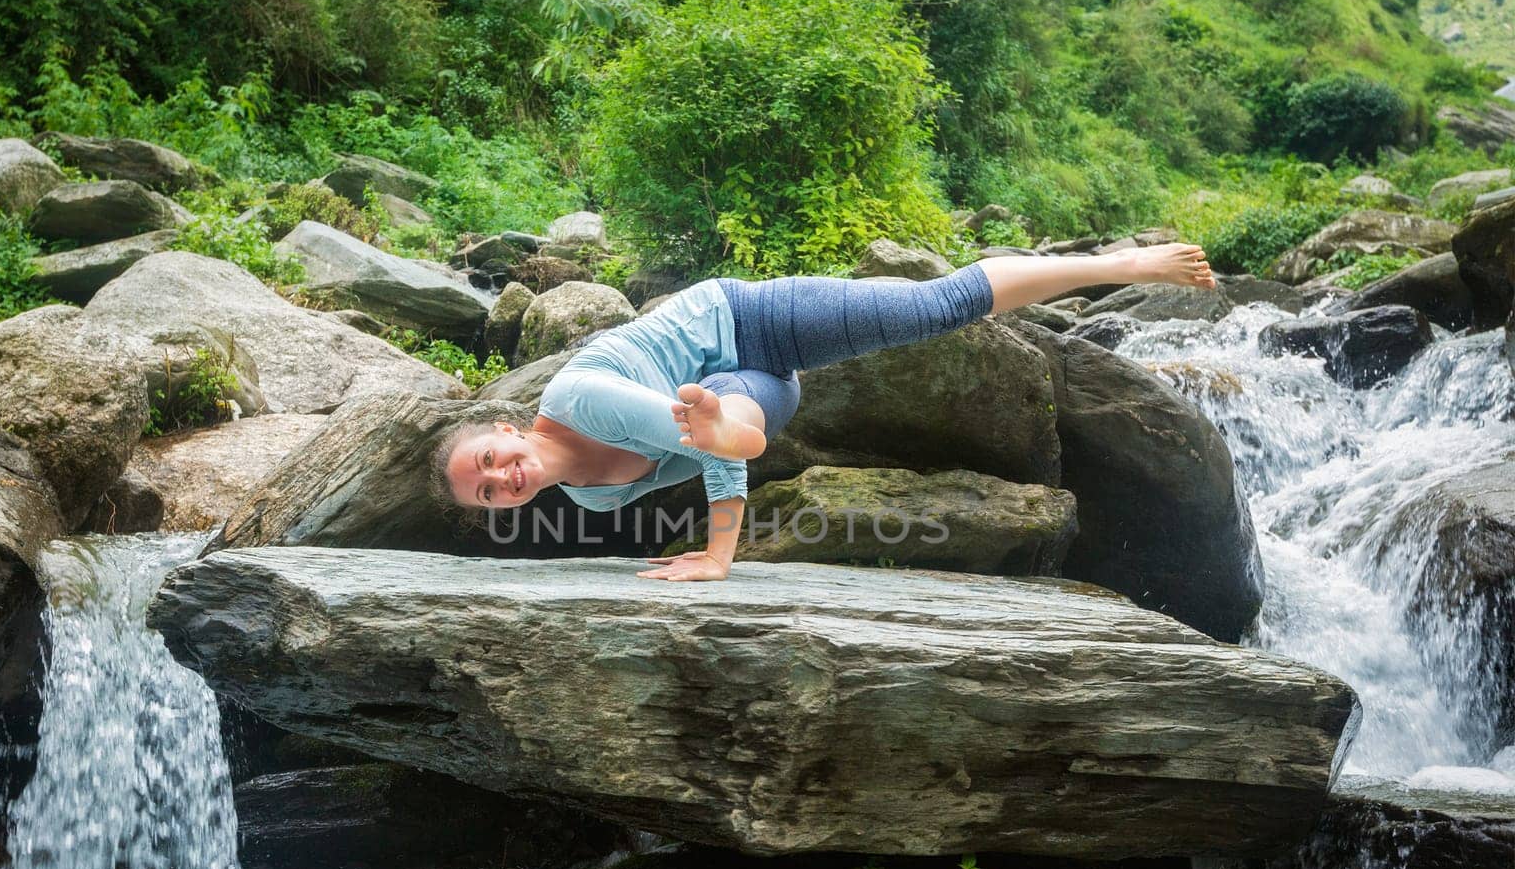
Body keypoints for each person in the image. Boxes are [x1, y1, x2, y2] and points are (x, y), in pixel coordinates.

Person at [436, 243, 1215, 581]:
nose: (502, 477)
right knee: (723, 430)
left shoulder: (577, 399)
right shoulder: (588, 495)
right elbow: (707, 453)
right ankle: (723, 419)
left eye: (489, 460)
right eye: (488, 490)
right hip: (759, 396)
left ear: (506, 430)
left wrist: (717, 554)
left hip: (752, 322)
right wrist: (724, 442)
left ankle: (1119, 263)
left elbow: (704, 455)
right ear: (495, 508)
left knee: (935, 305)